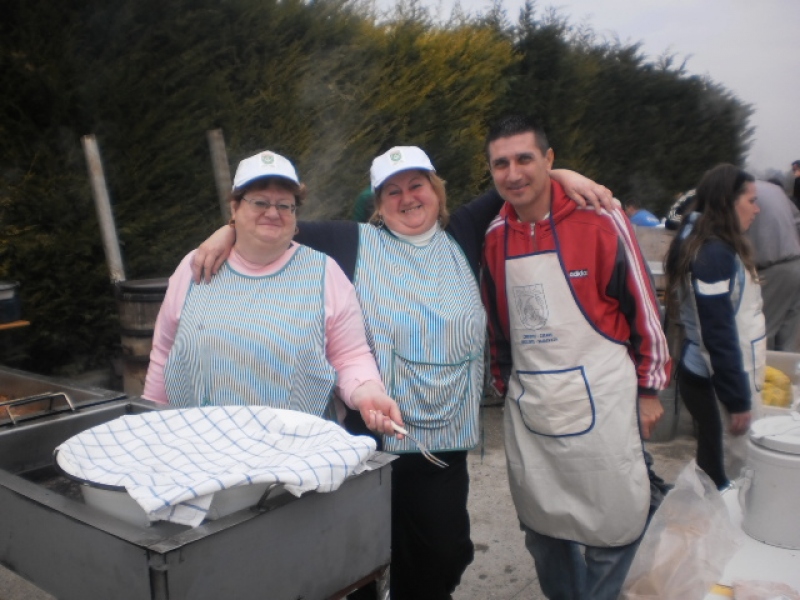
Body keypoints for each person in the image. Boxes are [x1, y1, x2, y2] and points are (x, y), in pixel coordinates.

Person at [192, 146, 612, 600]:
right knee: (360, 558)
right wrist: (226, 231)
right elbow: (271, 220)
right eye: (392, 191)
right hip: (369, 443)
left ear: (436, 190)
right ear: (378, 202)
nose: (407, 197)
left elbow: (517, 184)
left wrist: (562, 171)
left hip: (441, 444)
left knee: (444, 553)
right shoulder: (350, 241)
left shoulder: (464, 232)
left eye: (416, 185)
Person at [480, 115, 672, 600]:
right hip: (533, 410)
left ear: (549, 160)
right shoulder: (494, 237)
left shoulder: (600, 219)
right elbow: (498, 330)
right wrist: (505, 389)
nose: (513, 173)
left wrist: (649, 389)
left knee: (615, 528)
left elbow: (643, 306)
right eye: (501, 163)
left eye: (525, 158)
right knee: (543, 531)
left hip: (605, 402)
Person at [142, 149, 401, 439]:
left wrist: (367, 392)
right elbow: (164, 354)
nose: (272, 213)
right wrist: (152, 422)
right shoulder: (195, 268)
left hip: (298, 458)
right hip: (201, 452)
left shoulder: (325, 274)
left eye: (285, 205)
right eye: (260, 202)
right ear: (234, 208)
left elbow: (350, 356)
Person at [664, 164, 765, 490]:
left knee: (713, 464)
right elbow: (716, 333)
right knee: (723, 474)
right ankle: (712, 532)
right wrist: (736, 400)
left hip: (717, 377)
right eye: (751, 200)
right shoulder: (714, 254)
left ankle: (707, 528)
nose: (757, 208)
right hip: (714, 382)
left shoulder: (713, 245)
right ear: (728, 201)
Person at [747, 179, 800, 352]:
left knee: (763, 331)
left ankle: (764, 377)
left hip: (773, 267)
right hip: (796, 263)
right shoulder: (776, 191)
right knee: (789, 336)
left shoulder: (741, 194)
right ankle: (791, 376)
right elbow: (797, 221)